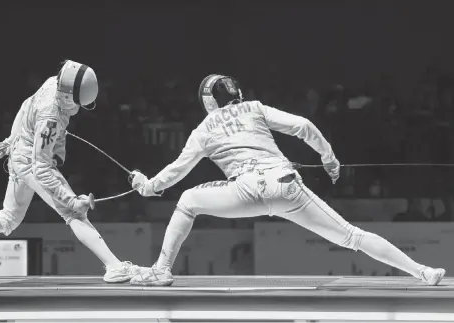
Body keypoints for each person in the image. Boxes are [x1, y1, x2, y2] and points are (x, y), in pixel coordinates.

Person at [128, 74, 446, 286]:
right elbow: (304, 125)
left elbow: (177, 170)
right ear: (236, 93)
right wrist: (329, 159)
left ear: (208, 101)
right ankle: (424, 272)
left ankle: (161, 270)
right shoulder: (254, 107)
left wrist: (148, 186)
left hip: (244, 191)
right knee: (352, 236)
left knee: (187, 201)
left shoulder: (204, 129)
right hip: (286, 185)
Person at [0, 60, 143, 283]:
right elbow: (41, 169)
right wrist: (70, 200)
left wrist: (12, 137)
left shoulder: (53, 83)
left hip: (21, 153)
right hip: (32, 162)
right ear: (67, 97)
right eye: (76, 103)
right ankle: (114, 266)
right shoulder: (50, 119)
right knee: (74, 214)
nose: (77, 109)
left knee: (8, 217)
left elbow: (24, 106)